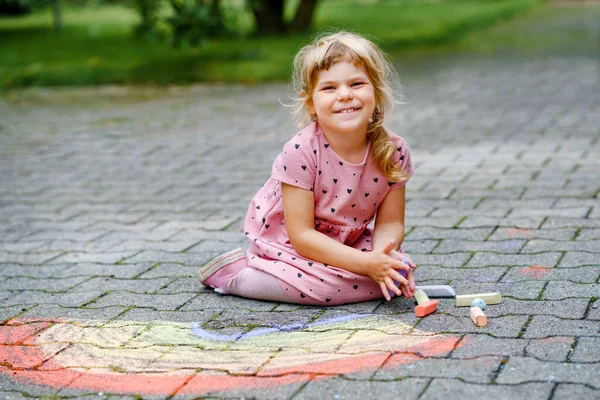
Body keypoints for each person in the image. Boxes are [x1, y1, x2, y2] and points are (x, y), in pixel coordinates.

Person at [198, 31, 417, 306]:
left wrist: (383, 257)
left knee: (397, 275)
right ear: (311, 102)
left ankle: (354, 272)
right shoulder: (302, 151)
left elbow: (391, 222)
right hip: (290, 243)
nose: (345, 95)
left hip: (347, 240)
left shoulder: (393, 151)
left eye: (357, 83)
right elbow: (302, 236)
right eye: (329, 88)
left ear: (376, 91)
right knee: (327, 290)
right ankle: (236, 274)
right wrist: (365, 264)